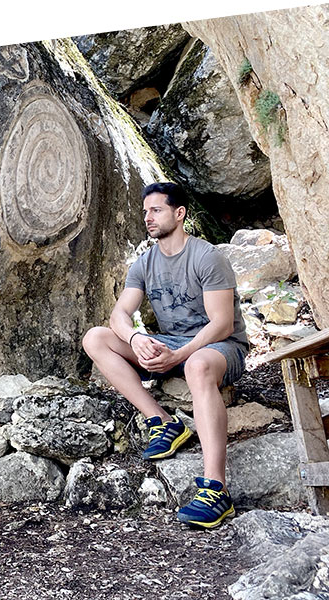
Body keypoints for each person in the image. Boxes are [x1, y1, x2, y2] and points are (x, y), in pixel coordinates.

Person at [82, 182, 248, 528]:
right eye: (145, 211)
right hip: (172, 344)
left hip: (219, 348)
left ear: (179, 213)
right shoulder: (144, 263)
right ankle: (164, 421)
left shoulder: (207, 257)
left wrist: (180, 355)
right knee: (96, 338)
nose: (148, 217)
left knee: (199, 365)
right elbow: (118, 315)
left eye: (156, 210)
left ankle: (216, 490)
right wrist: (136, 337)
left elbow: (221, 323)